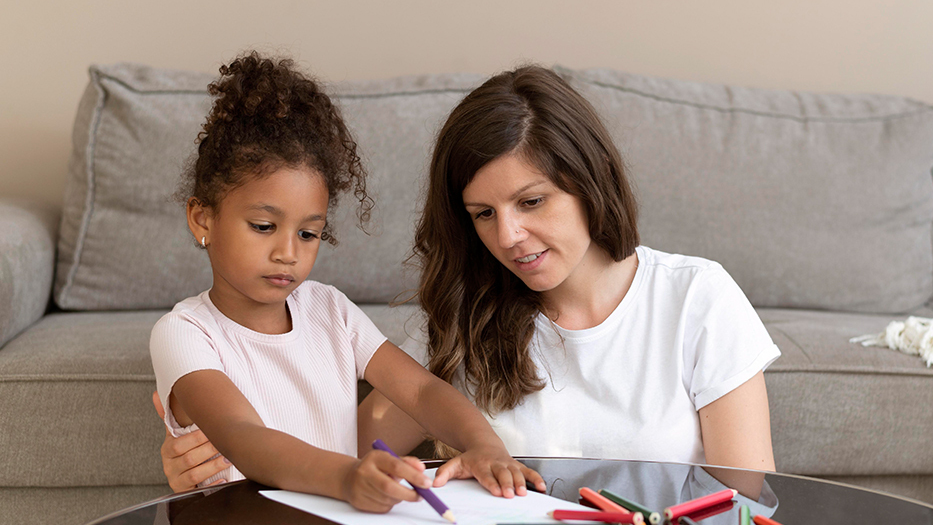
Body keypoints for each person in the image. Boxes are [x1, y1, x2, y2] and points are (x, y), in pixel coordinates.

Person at [156, 64, 780, 497]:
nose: (507, 236)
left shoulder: (696, 297)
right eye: (484, 214)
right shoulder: (471, 320)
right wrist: (217, 458)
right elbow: (352, 449)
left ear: (588, 182)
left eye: (531, 202)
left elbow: (741, 494)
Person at [148, 53, 542, 512]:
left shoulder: (330, 310)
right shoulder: (184, 332)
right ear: (203, 218)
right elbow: (243, 437)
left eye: (309, 233)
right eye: (262, 226)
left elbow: (419, 390)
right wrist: (348, 475)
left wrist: (483, 445)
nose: (288, 253)